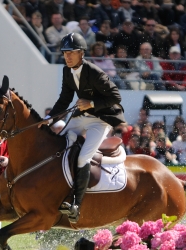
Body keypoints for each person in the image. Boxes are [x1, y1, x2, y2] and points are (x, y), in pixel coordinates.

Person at [40, 32, 125, 223]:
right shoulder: (66, 71)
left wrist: (92, 103)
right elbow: (64, 100)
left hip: (100, 120)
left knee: (83, 156)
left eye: (71, 53)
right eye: (65, 53)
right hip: (82, 117)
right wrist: (48, 119)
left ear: (81, 53)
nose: (67, 56)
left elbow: (115, 97)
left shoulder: (94, 72)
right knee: (59, 143)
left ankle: (76, 204)